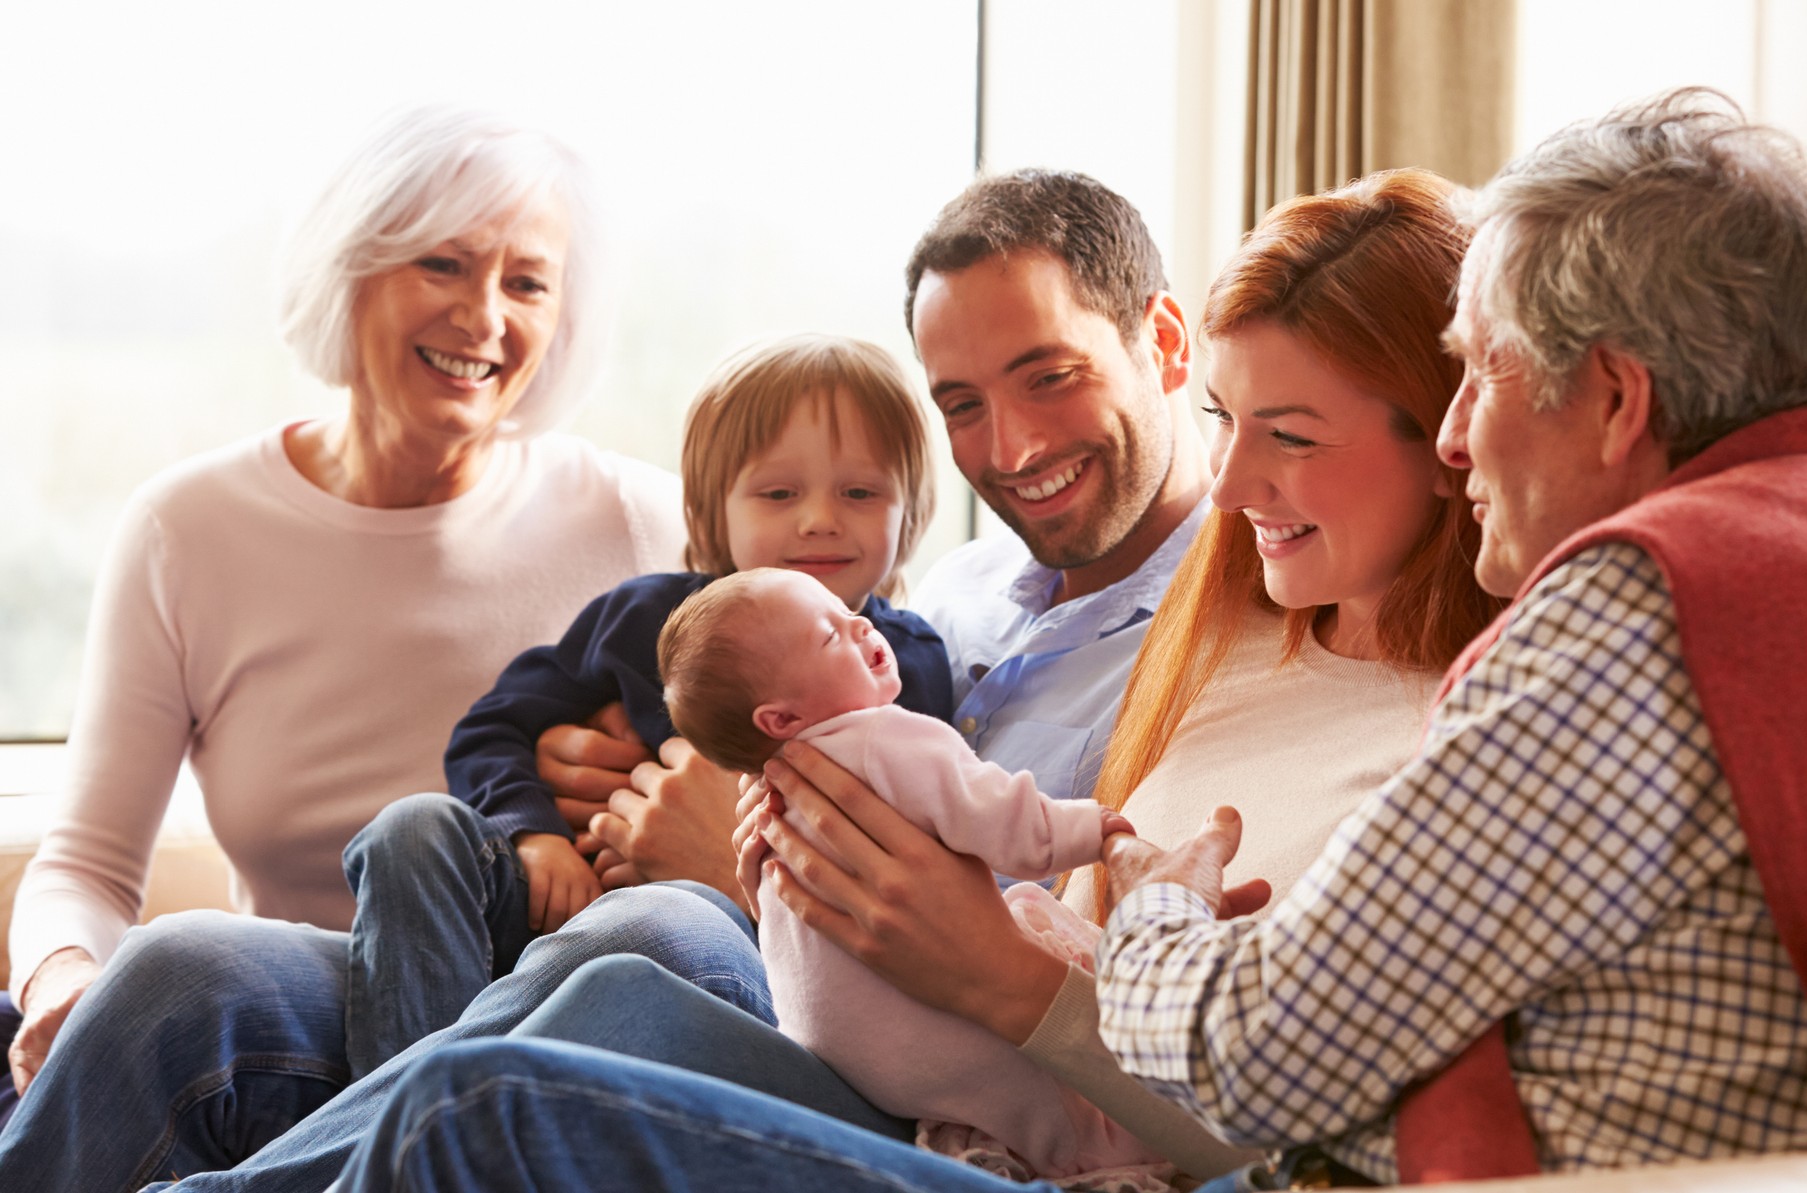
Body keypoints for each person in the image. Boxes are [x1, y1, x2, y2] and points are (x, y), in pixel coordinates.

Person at [0, 168, 1218, 1193]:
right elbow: (636, 674)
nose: (1005, 446)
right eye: (962, 401)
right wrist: (553, 794)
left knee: (646, 930)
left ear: (1166, 346)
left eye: (1048, 374)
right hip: (625, 945)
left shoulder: (1218, 637)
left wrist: (716, 859)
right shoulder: (950, 590)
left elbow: (1062, 939)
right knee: (188, 974)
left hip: (861, 1025)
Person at [320, 167, 1505, 1193]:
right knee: (219, 979)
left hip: (1038, 1115)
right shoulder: (1172, 623)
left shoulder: (1456, 732)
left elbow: (1295, 1122)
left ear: (1454, 433)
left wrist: (983, 966)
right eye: (1229, 424)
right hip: (928, 1046)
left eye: (1289, 435)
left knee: (525, 1054)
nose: (1237, 482)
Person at [1090, 87, 1807, 1185]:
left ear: (1613, 399)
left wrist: (1153, 908)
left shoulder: (1645, 614)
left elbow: (1257, 1051)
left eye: (1484, 372)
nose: (1458, 439)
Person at [0, 105, 687, 1104]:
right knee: (175, 972)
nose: (485, 315)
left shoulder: (640, 522)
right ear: (352, 267)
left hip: (545, 1033)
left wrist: (659, 797)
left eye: (526, 282)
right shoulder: (186, 530)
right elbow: (89, 868)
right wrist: (62, 972)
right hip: (284, 1040)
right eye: (443, 265)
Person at [339, 335, 955, 1077]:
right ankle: (399, 1110)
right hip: (551, 898)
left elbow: (912, 837)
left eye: (860, 493)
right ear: (710, 509)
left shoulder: (906, 662)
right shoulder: (646, 619)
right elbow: (495, 726)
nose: (820, 519)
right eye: (778, 493)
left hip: (715, 948)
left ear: (911, 511)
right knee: (410, 827)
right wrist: (535, 837)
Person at [660, 567, 1160, 1183]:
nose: (862, 623)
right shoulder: (888, 739)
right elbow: (1012, 827)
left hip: (833, 1053)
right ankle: (1091, 1156)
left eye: (849, 613)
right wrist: (1100, 830)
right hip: (940, 1037)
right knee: (1041, 1084)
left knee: (645, 927)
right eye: (829, 636)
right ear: (780, 720)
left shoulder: (769, 798)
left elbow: (780, 921)